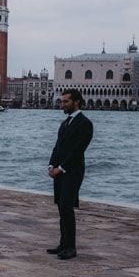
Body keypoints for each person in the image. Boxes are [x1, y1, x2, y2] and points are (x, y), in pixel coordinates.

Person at [47, 88, 93, 260]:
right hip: (59, 171)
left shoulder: (85, 123)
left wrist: (62, 168)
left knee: (67, 206)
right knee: (61, 206)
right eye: (61, 101)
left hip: (72, 171)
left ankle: (71, 247)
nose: (62, 104)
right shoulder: (64, 123)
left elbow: (78, 150)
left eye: (66, 101)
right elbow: (57, 147)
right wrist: (51, 165)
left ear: (77, 102)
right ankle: (63, 244)